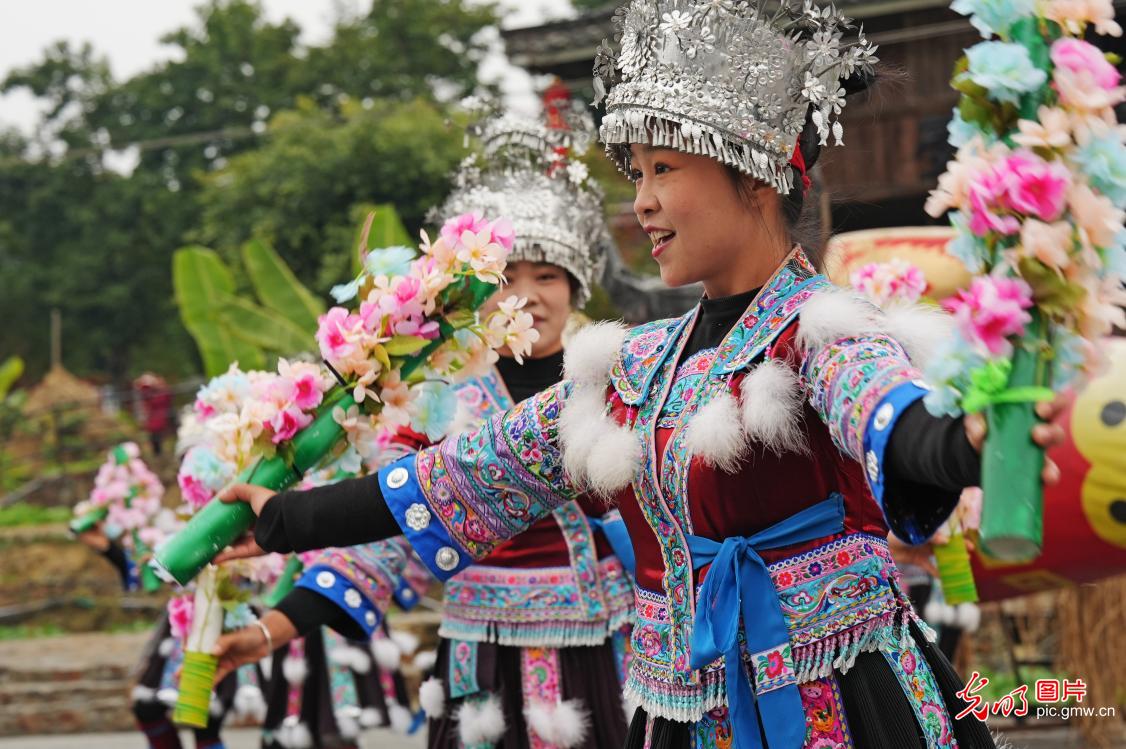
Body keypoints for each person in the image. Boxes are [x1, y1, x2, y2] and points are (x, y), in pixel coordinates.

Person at [217, 3, 1067, 747]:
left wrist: (963, 441)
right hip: (676, 710)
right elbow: (460, 477)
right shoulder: (630, 365)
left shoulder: (824, 332)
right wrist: (285, 516)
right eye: (637, 175)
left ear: (757, 174)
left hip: (836, 701)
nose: (643, 203)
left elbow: (889, 416)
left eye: (665, 169)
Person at [214, 109, 636, 749]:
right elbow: (384, 533)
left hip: (606, 652)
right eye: (506, 279)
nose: (526, 296)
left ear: (575, 291)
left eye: (547, 276)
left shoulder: (615, 381)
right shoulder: (443, 401)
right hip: (482, 665)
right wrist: (270, 628)